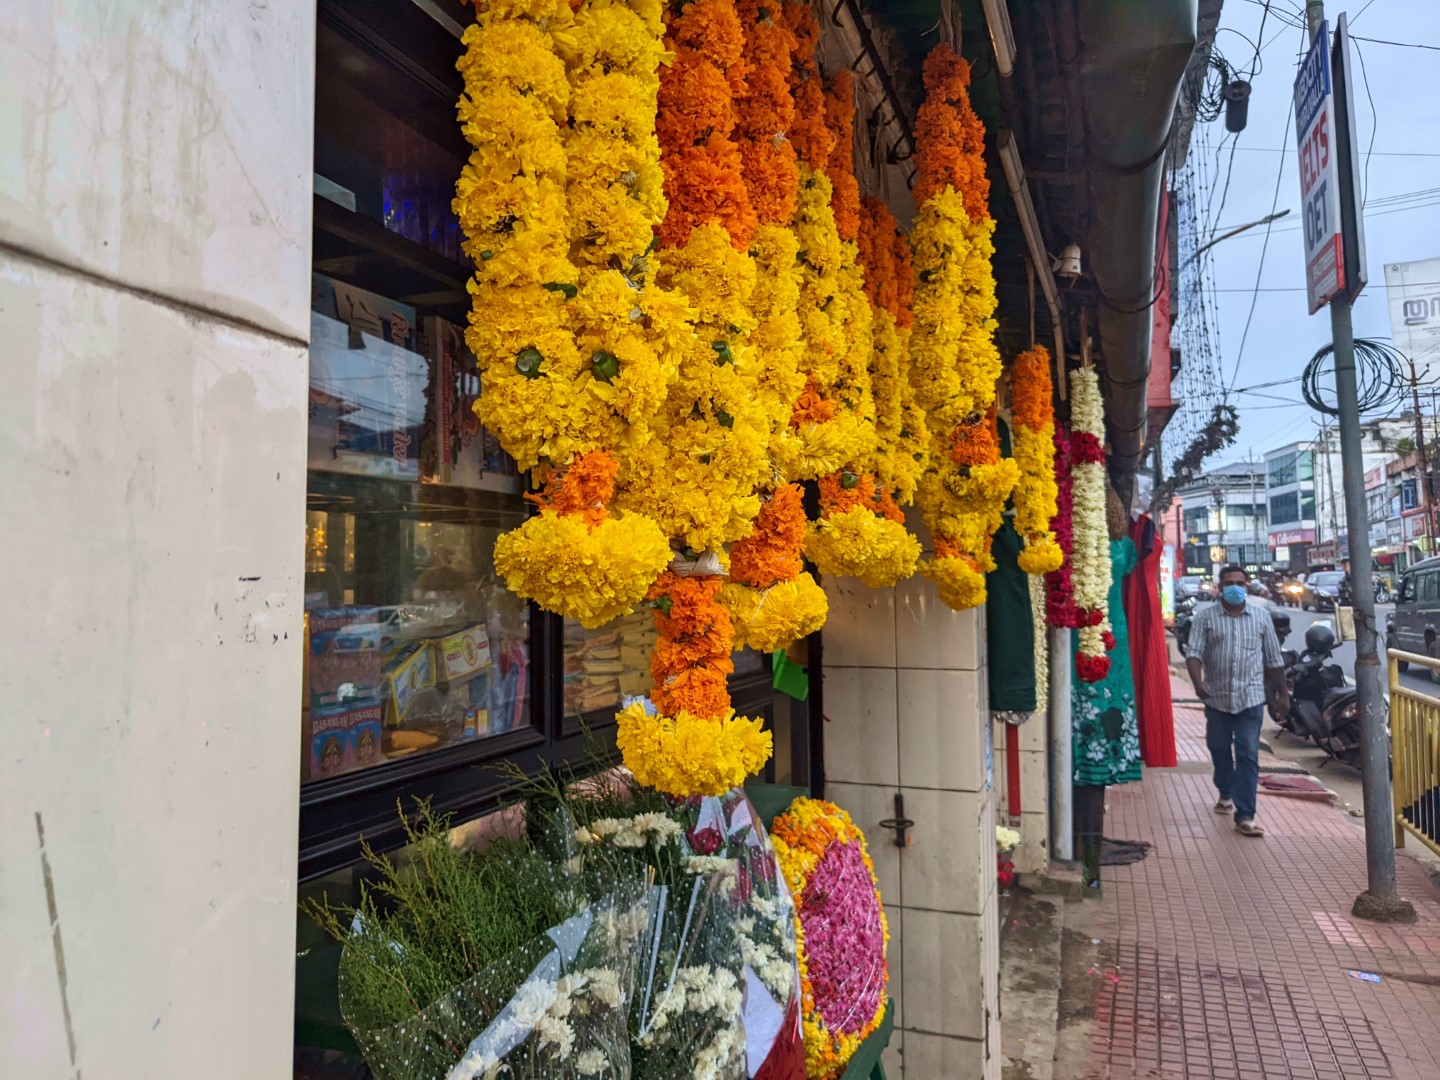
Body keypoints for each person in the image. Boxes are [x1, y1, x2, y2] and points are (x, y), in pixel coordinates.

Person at [1185, 564, 1290, 837]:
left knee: (1247, 753)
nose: (1235, 588)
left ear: (1247, 586)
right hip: (1217, 697)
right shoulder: (1205, 618)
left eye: (1240, 583)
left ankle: (1245, 815)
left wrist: (1282, 694)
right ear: (1220, 588)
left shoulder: (1261, 617)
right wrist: (1198, 683)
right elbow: (1194, 653)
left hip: (1250, 697)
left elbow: (1273, 659)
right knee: (1218, 748)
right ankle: (1225, 789)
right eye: (1229, 583)